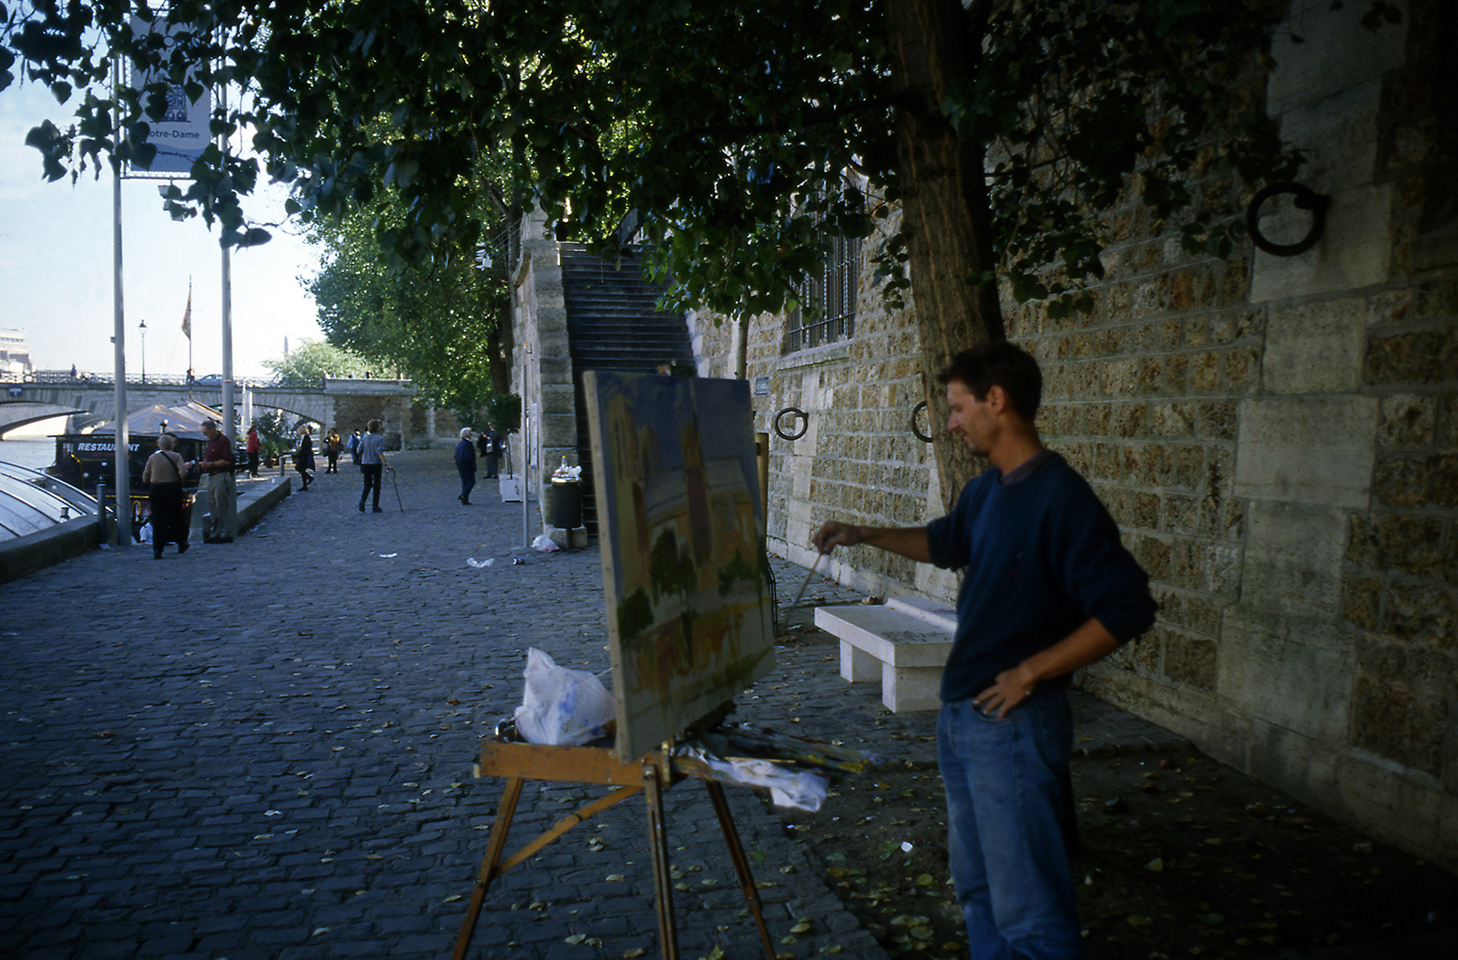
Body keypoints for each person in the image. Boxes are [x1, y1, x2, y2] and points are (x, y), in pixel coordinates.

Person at [813, 341, 1156, 960]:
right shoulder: (985, 492)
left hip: (1014, 726)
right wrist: (863, 533)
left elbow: (1127, 606)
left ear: (997, 401)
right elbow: (945, 543)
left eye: (957, 406)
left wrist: (1030, 672)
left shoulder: (1062, 497)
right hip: (961, 718)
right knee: (977, 890)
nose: (951, 422)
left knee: (1029, 912)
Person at [141, 434, 190, 559]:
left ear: (159, 445)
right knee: (176, 517)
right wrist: (180, 479)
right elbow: (183, 472)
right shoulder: (176, 456)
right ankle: (181, 542)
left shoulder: (153, 458)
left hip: (156, 489)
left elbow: (146, 475)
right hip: (173, 489)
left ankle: (157, 549)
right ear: (172, 445)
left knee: (158, 519)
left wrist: (151, 481)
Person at [193, 418, 237, 543]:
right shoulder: (211, 442)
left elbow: (227, 460)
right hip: (211, 475)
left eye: (206, 432)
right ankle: (216, 532)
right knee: (213, 505)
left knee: (221, 504)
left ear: (213, 430)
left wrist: (210, 464)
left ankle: (225, 533)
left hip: (220, 474)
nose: (204, 435)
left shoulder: (223, 441)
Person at [357, 419, 392, 513]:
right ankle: (375, 506)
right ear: (377, 428)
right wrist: (386, 464)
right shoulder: (380, 438)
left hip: (365, 463)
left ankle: (362, 501)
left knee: (367, 484)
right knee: (377, 485)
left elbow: (358, 450)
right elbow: (379, 452)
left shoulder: (364, 437)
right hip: (376, 464)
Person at [454, 428, 477, 505]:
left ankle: (465, 499)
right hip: (467, 466)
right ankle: (463, 495)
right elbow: (469, 456)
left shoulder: (460, 444)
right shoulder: (468, 444)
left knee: (465, 482)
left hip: (460, 465)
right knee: (471, 481)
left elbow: (456, 455)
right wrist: (470, 465)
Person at [294, 424, 315, 491]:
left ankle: (309, 478)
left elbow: (307, 447)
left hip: (304, 456)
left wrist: (300, 448)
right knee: (302, 469)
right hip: (303, 455)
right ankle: (305, 485)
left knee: (298, 467)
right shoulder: (304, 437)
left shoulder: (306, 438)